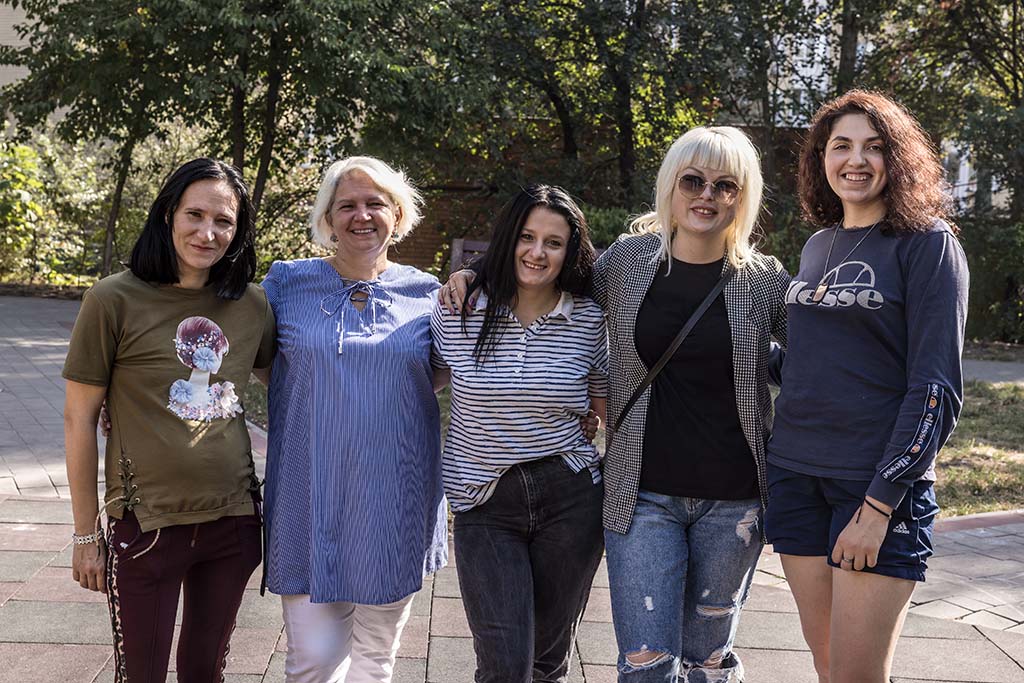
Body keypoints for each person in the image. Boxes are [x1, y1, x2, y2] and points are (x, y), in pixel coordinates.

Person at [440, 127, 789, 682]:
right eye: (692, 180)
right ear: (670, 185)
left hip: (735, 502)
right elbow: (546, 273)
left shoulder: (764, 280)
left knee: (707, 662)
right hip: (642, 494)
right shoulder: (625, 264)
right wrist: (474, 275)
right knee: (645, 664)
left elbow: (816, 366)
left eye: (726, 185)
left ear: (742, 197)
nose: (707, 195)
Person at [764, 90, 969, 683]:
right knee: (829, 668)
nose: (856, 161)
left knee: (857, 675)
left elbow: (936, 389)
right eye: (841, 146)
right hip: (796, 477)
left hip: (873, 484)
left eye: (874, 148)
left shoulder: (928, 244)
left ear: (897, 160)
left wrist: (880, 505)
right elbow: (807, 365)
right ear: (820, 161)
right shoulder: (819, 244)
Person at [63, 158, 275, 682]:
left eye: (223, 221)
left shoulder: (252, 304)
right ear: (168, 216)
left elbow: (293, 385)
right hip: (147, 525)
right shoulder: (113, 299)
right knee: (142, 675)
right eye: (194, 215)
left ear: (239, 229)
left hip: (232, 522)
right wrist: (85, 535)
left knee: (205, 672)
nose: (208, 232)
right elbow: (78, 419)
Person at [260, 155, 448, 682]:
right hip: (309, 497)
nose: (361, 216)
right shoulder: (286, 285)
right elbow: (245, 357)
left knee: (374, 661)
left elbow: (439, 374)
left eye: (375, 204)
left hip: (395, 500)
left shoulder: (429, 294)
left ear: (398, 213)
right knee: (312, 661)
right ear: (328, 217)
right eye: (347, 205)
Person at [431, 184, 608, 683]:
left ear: (570, 250)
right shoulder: (459, 307)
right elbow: (412, 382)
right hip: (484, 501)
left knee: (547, 663)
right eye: (527, 237)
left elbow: (607, 411)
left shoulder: (589, 318)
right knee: (504, 666)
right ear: (508, 239)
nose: (537, 252)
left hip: (570, 498)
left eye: (554, 242)